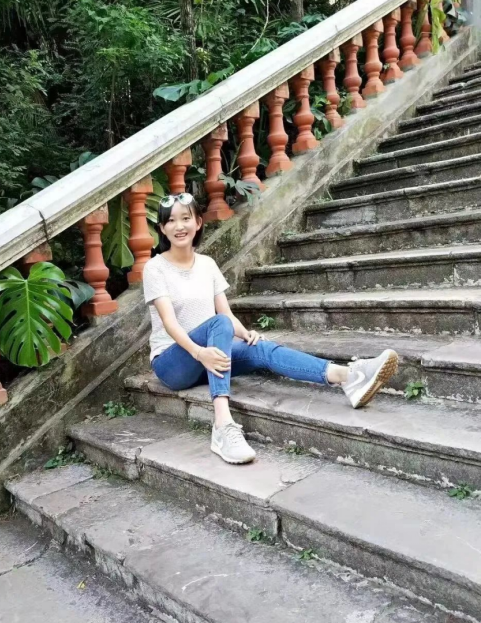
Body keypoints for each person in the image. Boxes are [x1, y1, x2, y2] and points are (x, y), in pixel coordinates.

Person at [142, 193, 399, 465]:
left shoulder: (207, 264)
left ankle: (347, 377)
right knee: (220, 325)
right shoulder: (155, 268)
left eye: (185, 218)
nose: (179, 226)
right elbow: (170, 322)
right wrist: (199, 353)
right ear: (162, 229)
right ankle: (222, 425)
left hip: (210, 357)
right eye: (171, 221)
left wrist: (246, 334)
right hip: (173, 363)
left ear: (198, 222)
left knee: (261, 347)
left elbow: (226, 313)